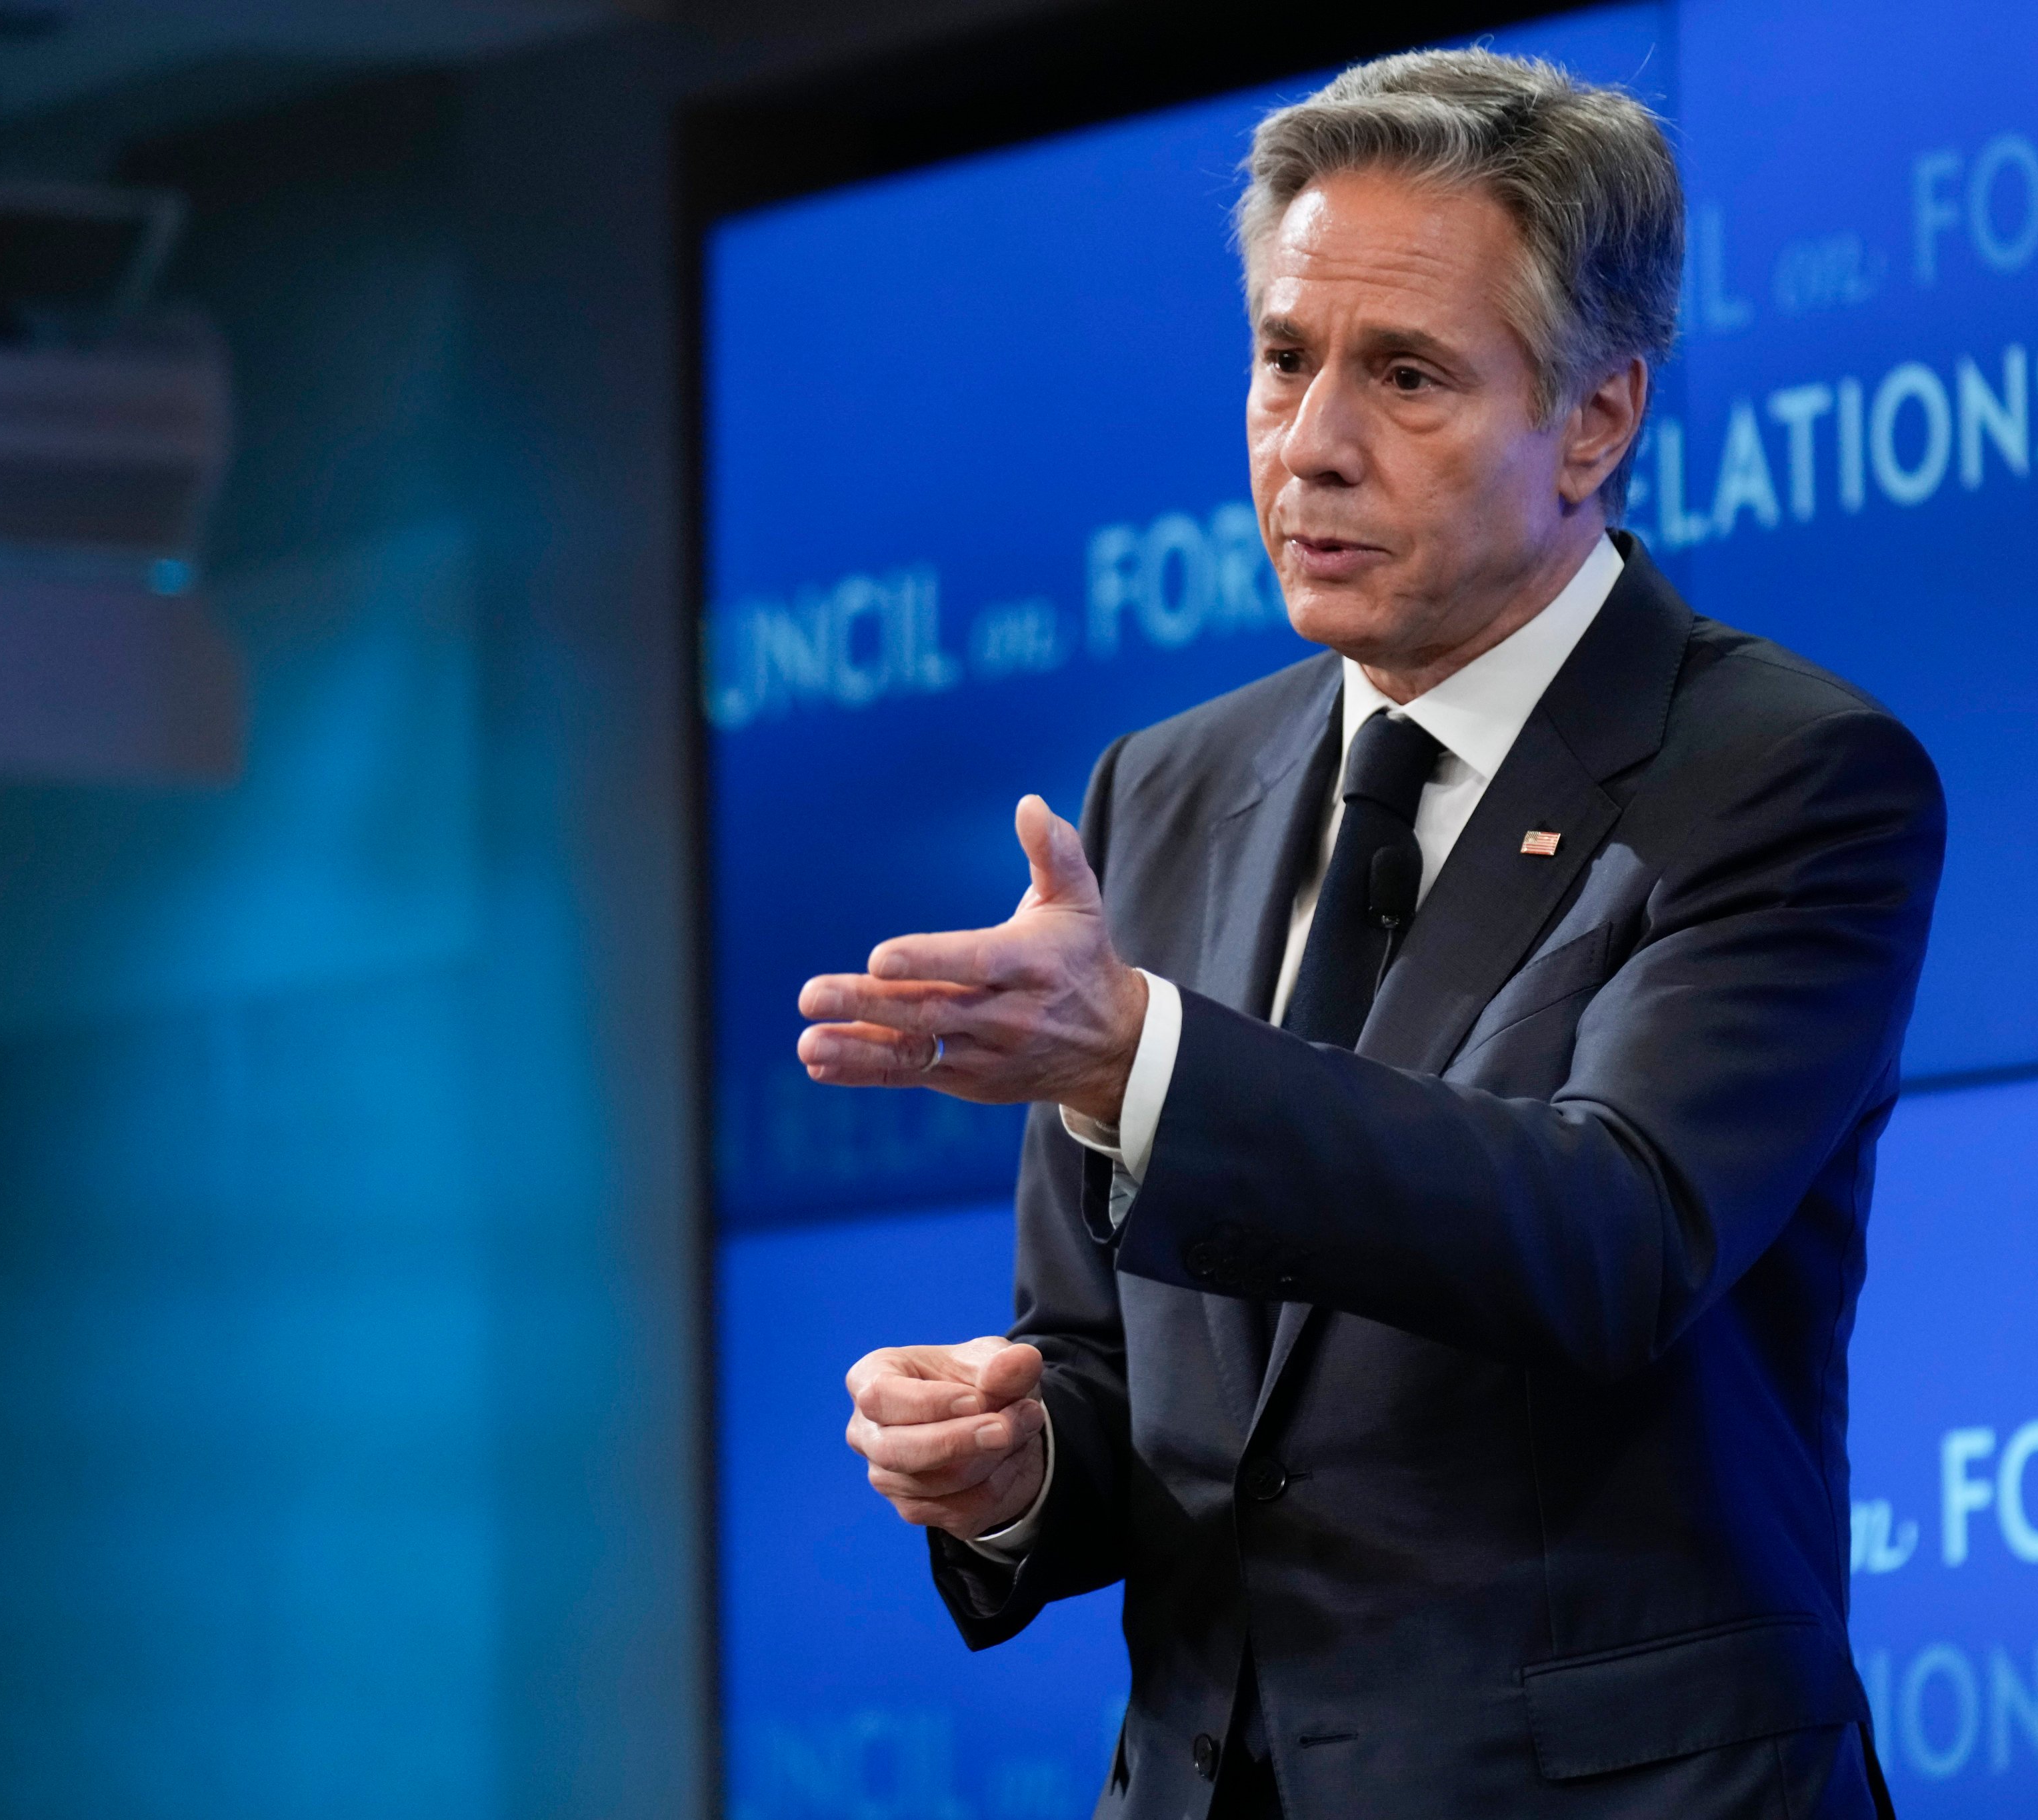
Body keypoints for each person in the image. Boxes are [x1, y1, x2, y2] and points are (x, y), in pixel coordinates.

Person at [796, 47, 1942, 1820]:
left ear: (1597, 419)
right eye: (1281, 359)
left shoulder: (1785, 777)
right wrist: (1019, 1460)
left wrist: (1139, 1055)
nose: (1312, 442)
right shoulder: (1160, 793)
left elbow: (1610, 1233)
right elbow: (1131, 1377)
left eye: (1404, 374)